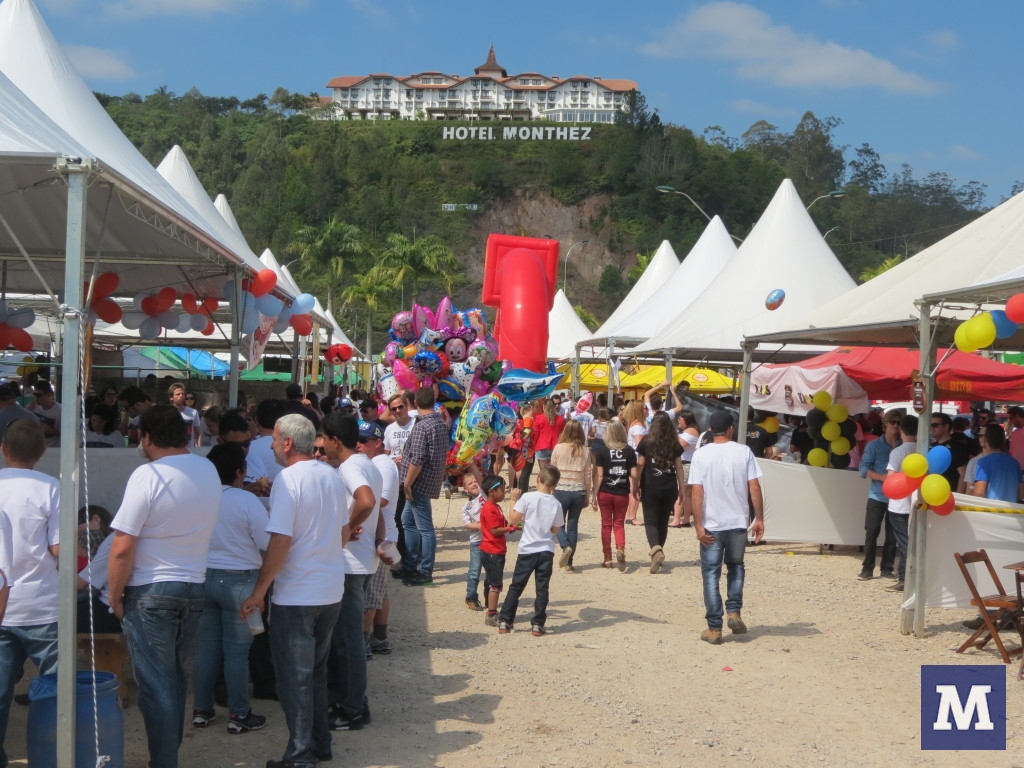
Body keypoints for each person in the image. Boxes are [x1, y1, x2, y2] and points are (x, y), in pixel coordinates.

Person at [107, 405, 221, 768]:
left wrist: (113, 595)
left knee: (157, 688)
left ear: (147, 437)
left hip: (151, 591)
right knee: (171, 679)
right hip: (193, 586)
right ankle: (166, 757)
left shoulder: (148, 475)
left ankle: (164, 762)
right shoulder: (207, 468)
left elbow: (122, 547)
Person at [239, 413, 349, 768]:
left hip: (298, 594)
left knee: (294, 679)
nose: (270, 444)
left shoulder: (289, 480)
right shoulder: (331, 476)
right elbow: (345, 531)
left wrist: (259, 592)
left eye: (273, 438)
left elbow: (280, 541)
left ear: (287, 442)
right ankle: (319, 742)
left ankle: (301, 754)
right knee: (314, 673)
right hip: (330, 588)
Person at [191, 443, 270, 735]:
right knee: (237, 653)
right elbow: (266, 542)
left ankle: (202, 709)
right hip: (239, 581)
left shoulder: (198, 498)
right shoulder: (245, 501)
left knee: (206, 650)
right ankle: (239, 714)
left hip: (202, 577)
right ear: (240, 472)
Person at [0, 419, 59, 767]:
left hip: (2, 607)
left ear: (4, 448)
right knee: (54, 691)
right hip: (41, 605)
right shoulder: (51, 487)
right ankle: (52, 755)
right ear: (42, 451)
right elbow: (58, 550)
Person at [321, 413, 382, 732]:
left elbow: (368, 501)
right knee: (348, 639)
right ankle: (353, 701)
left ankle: (352, 709)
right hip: (359, 561)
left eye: (323, 439)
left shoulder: (350, 467)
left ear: (334, 439)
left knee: (348, 641)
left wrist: (346, 528)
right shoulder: (367, 463)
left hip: (350, 564)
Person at [689, 411, 764, 645]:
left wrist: (698, 524)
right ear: (731, 428)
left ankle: (714, 628)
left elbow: (697, 492)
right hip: (737, 522)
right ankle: (734, 611)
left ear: (711, 429)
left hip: (712, 523)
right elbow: (754, 486)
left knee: (711, 574)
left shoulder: (701, 455)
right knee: (736, 566)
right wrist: (759, 518)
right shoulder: (744, 452)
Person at [497, 465, 564, 636]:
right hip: (546, 550)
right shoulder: (556, 503)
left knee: (517, 585)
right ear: (554, 485)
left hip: (528, 549)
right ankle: (538, 623)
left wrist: (513, 499)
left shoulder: (528, 497)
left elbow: (513, 520)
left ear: (538, 478)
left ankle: (505, 620)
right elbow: (556, 529)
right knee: (542, 588)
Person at [356, 421, 399, 657]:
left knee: (371, 596)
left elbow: (380, 501)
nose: (359, 445)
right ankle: (379, 639)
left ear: (377, 443)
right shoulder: (377, 463)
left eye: (364, 441)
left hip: (382, 536)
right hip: (382, 534)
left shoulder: (382, 464)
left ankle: (365, 644)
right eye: (358, 440)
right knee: (379, 593)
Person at [399, 388, 450, 586]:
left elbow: (418, 458)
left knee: (425, 528)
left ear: (414, 403)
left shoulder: (422, 426)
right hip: (429, 479)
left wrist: (408, 483)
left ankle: (425, 571)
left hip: (418, 481)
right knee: (407, 521)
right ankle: (411, 564)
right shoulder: (439, 422)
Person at [635, 411, 685, 574]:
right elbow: (679, 467)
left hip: (650, 485)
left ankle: (656, 551)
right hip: (669, 486)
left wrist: (635, 485)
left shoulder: (646, 442)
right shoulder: (674, 443)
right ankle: (658, 553)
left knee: (650, 521)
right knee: (663, 522)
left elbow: (640, 465)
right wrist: (682, 488)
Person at [857, 413, 901, 580]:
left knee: (892, 534)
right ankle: (867, 568)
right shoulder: (874, 445)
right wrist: (882, 477)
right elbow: (863, 470)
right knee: (872, 531)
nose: (895, 426)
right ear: (885, 424)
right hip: (877, 495)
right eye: (892, 422)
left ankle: (887, 568)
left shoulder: (903, 446)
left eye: (898, 423)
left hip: (896, 497)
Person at [591, 420, 637, 571]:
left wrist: (594, 495)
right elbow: (635, 474)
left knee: (606, 526)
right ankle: (620, 550)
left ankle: (607, 559)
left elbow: (599, 475)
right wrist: (635, 488)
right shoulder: (629, 451)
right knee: (618, 523)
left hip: (605, 491)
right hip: (622, 492)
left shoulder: (602, 451)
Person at [883, 414, 919, 593]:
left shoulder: (897, 452)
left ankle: (909, 577)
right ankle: (904, 577)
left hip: (899, 505)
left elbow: (890, 479)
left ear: (900, 429)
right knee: (911, 541)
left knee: (905, 544)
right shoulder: (923, 449)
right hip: (918, 502)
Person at [550, 420, 591, 572]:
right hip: (578, 490)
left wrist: (550, 489)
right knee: (573, 526)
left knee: (558, 523)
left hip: (561, 489)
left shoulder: (558, 448)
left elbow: (552, 471)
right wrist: (587, 494)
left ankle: (565, 546)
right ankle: (569, 561)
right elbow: (587, 475)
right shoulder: (585, 450)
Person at [384, 391, 416, 562]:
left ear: (406, 407)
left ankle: (413, 559)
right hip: (395, 480)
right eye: (393, 409)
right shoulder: (389, 430)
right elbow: (385, 452)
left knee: (412, 521)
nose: (397, 411)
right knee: (398, 519)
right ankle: (403, 556)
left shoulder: (415, 425)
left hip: (413, 479)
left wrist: (407, 457)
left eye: (400, 407)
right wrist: (392, 460)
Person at [479, 475, 514, 627]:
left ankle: (489, 605)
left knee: (490, 580)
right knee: (495, 584)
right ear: (492, 491)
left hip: (491, 550)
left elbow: (503, 525)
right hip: (493, 550)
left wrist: (510, 527)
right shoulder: (489, 509)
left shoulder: (496, 507)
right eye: (502, 489)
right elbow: (494, 530)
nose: (504, 492)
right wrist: (509, 528)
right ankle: (491, 613)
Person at [972, 423, 1022, 503]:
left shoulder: (983, 463)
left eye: (981, 436)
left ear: (985, 439)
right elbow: (1021, 493)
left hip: (991, 512)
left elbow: (979, 494)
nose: (980, 438)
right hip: (1012, 511)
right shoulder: (1014, 463)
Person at [669, 410, 701, 527]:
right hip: (686, 463)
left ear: (686, 420)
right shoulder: (687, 431)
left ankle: (677, 519)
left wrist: (671, 436)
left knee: (681, 492)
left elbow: (680, 444)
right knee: (687, 494)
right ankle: (686, 519)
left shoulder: (691, 431)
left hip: (686, 464)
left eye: (680, 419)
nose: (678, 421)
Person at [461, 470, 486, 610]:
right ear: (465, 489)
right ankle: (471, 597)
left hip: (490, 540)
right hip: (477, 542)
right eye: (470, 483)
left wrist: (471, 463)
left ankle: (489, 595)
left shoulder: (484, 494)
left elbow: (479, 476)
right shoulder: (466, 507)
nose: (474, 484)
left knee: (491, 569)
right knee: (475, 570)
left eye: (475, 482)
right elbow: (466, 524)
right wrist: (479, 525)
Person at [929, 412, 970, 494]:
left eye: (935, 425)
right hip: (931, 494)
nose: (931, 428)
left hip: (950, 497)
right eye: (930, 425)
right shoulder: (930, 446)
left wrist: (958, 498)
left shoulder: (957, 447)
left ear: (946, 426)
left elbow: (963, 474)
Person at [622, 401, 647, 525]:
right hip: (638, 459)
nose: (647, 410)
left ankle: (629, 515)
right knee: (636, 488)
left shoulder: (632, 424)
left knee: (633, 487)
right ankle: (632, 516)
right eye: (645, 408)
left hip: (632, 459)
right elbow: (639, 444)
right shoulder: (639, 426)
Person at [532, 397, 565, 472]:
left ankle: (544, 483)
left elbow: (536, 434)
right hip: (556, 446)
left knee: (543, 471)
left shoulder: (538, 418)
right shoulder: (560, 419)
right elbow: (562, 434)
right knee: (554, 471)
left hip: (541, 446)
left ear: (544, 407)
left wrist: (535, 444)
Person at [26, 379, 61, 446]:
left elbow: (66, 434)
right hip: (35, 447)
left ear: (49, 395)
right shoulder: (32, 407)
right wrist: (27, 411)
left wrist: (50, 430)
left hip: (53, 447)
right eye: (34, 395)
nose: (36, 398)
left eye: (39, 395)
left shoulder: (60, 410)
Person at [167, 381, 201, 446]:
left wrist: (199, 450)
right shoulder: (166, 413)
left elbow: (198, 434)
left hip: (189, 451)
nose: (181, 396)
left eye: (182, 394)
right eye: (178, 394)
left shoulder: (193, 412)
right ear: (171, 397)